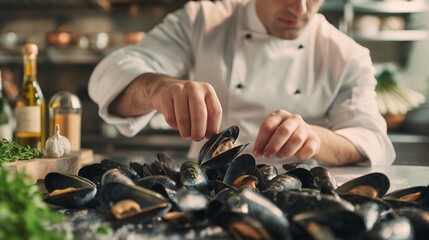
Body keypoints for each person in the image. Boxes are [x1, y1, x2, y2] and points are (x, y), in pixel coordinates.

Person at [88, 0, 396, 166]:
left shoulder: (346, 54)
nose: (299, 8)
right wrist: (158, 88)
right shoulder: (203, 20)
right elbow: (110, 73)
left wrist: (314, 138)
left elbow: (372, 139)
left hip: (298, 199)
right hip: (207, 189)